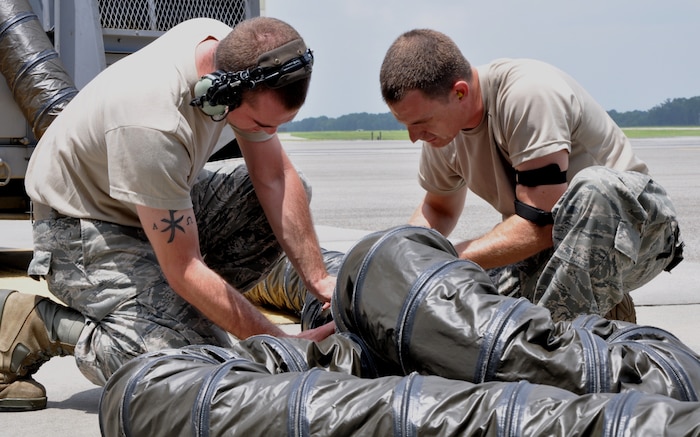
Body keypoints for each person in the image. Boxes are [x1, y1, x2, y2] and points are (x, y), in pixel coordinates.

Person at [0, 16, 335, 412]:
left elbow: (275, 176)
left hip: (154, 200)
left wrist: (319, 280)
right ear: (219, 95)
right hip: (82, 225)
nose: (267, 133)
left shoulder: (228, 51)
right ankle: (39, 325)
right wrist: (276, 343)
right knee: (185, 368)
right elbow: (185, 268)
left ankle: (169, 310)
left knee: (282, 198)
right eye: (263, 123)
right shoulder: (153, 121)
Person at [379, 29, 684, 323]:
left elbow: (541, 220)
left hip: (636, 233)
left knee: (594, 188)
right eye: (405, 124)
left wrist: (446, 258)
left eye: (421, 122)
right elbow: (438, 209)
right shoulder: (443, 131)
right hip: (550, 244)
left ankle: (564, 346)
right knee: (459, 306)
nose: (413, 137)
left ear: (460, 92)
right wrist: (399, 263)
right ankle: (602, 321)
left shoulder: (527, 94)